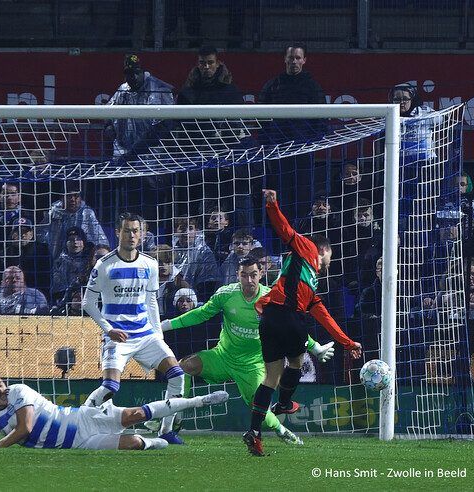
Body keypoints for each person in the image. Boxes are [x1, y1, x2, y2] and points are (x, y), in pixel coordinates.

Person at [162, 257, 336, 445]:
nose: (249, 280)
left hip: (252, 365)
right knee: (184, 367)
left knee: (258, 405)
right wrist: (167, 325)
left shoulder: (271, 299)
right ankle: (174, 421)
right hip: (222, 356)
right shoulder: (226, 294)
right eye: (244, 275)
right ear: (238, 275)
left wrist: (315, 347)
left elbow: (292, 327)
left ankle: (282, 430)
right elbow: (201, 313)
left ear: (261, 275)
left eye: (253, 275)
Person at [243, 190, 361, 457]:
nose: (330, 262)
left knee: (270, 378)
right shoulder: (308, 248)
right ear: (325, 251)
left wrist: (347, 342)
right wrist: (273, 204)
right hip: (288, 317)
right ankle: (284, 404)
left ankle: (255, 432)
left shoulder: (309, 285)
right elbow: (285, 230)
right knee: (295, 363)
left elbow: (325, 317)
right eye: (331, 256)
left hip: (269, 319)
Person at [0, 373, 228, 450]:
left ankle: (200, 401)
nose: (1, 390)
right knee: (136, 445)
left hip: (82, 418)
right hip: (77, 444)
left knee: (137, 414)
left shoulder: (20, 392)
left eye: (1, 384)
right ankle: (154, 443)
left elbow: (24, 429)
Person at [82, 213, 185, 444]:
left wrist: (157, 335)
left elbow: (151, 302)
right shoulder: (105, 264)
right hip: (116, 336)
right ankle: (82, 419)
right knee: (110, 387)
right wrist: (108, 330)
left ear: (142, 234)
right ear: (118, 233)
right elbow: (87, 303)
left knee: (177, 375)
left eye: (136, 231)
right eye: (127, 230)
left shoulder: (149, 264)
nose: (131, 235)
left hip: (146, 334)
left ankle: (166, 430)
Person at [258, 44, 326, 223]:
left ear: (304, 60)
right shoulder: (273, 85)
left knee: (303, 197)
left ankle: (301, 238)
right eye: (291, 58)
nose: (294, 61)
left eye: (298, 58)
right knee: (280, 196)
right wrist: (268, 142)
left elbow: (321, 120)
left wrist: (311, 142)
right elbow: (261, 119)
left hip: (303, 152)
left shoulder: (312, 87)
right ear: (285, 59)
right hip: (278, 151)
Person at [107, 54, 174, 158]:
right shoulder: (123, 89)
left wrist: (136, 150)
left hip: (152, 155)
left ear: (144, 72)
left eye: (137, 72)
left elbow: (162, 127)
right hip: (123, 152)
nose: (134, 77)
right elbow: (108, 112)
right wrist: (109, 127)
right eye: (129, 73)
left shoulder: (158, 89)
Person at [44, 182, 109, 259]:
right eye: (69, 196)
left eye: (76, 196)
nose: (72, 200)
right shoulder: (54, 212)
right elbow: (41, 234)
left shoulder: (87, 212)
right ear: (62, 198)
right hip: (58, 256)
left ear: (80, 198)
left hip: (82, 255)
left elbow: (100, 239)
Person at [177, 46, 244, 105]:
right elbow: (179, 116)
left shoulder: (230, 90)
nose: (206, 66)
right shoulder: (187, 91)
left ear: (217, 64)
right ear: (198, 64)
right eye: (202, 63)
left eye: (210, 62)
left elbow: (239, 116)